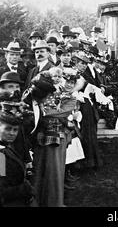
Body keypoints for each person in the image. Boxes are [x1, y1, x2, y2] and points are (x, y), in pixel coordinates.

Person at [28, 70, 76, 207]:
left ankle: (54, 202)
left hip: (57, 137)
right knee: (38, 170)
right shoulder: (46, 94)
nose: (68, 84)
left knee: (55, 171)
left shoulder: (71, 99)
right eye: (66, 81)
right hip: (40, 136)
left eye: (72, 82)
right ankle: (36, 201)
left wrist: (45, 112)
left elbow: (61, 113)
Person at [0, 107, 35, 207]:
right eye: (7, 129)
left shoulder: (6, 147)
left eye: (15, 130)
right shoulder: (1, 156)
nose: (12, 133)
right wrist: (25, 188)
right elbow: (2, 191)